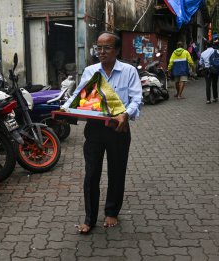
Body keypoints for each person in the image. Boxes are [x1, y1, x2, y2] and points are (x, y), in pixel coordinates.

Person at [62, 31, 142, 234]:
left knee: (117, 172)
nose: (102, 52)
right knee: (91, 174)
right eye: (99, 47)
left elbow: (136, 99)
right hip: (94, 129)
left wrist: (126, 114)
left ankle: (112, 212)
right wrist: (65, 108)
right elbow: (78, 97)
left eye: (107, 48)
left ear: (116, 50)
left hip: (118, 128)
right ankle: (89, 218)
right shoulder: (90, 71)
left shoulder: (129, 71)